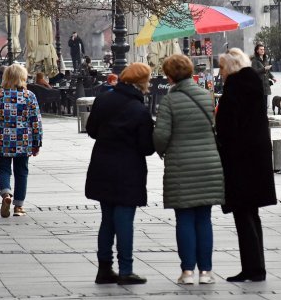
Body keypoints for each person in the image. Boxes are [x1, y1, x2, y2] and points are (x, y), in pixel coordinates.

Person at [153, 54, 224, 285]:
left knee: (184, 219)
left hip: (181, 167)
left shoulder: (169, 101)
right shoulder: (206, 97)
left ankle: (187, 272)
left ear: (170, 75)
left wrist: (162, 150)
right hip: (208, 165)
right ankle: (206, 272)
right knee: (204, 219)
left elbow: (161, 136)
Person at [85, 62, 154, 285]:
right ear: (141, 83)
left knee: (107, 219)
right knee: (124, 219)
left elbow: (92, 130)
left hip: (102, 165)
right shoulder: (139, 109)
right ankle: (126, 269)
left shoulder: (103, 99)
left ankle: (104, 268)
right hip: (128, 169)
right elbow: (146, 147)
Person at [216, 48, 276, 282]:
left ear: (230, 68)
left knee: (243, 215)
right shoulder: (254, 86)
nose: (220, 72)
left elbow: (227, 127)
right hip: (256, 159)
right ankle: (255, 266)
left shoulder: (234, 89)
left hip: (240, 159)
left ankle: (253, 268)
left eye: (221, 67)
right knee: (252, 215)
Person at [0, 64, 43, 218]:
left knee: (3, 169)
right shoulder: (29, 96)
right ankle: (18, 207)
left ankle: (6, 194)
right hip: (23, 141)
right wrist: (37, 142)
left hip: (1, 140)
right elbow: (36, 121)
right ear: (22, 77)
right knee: (21, 172)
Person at [251, 43, 275, 112]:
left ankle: (263, 118)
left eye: (263, 49)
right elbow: (254, 71)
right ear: (257, 51)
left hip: (266, 85)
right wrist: (264, 69)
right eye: (261, 49)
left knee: (266, 104)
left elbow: (267, 71)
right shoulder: (254, 60)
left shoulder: (265, 59)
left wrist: (272, 77)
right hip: (259, 85)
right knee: (260, 104)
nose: (262, 51)